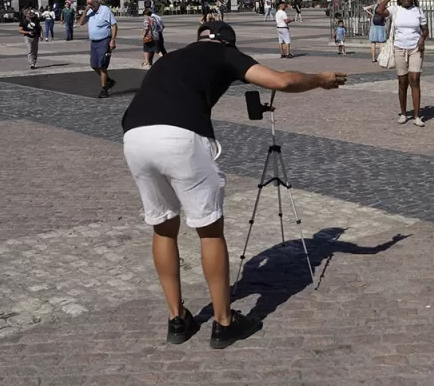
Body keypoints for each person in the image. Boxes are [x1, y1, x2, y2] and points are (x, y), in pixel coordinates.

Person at [121, 20, 346, 349]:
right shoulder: (225, 54)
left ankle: (177, 319)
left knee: (163, 227)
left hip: (135, 135)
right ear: (228, 42)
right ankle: (224, 323)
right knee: (209, 229)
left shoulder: (171, 58)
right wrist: (320, 80)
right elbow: (281, 80)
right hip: (180, 136)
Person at [376, 0, 428, 127]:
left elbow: (425, 29)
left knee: (415, 79)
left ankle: (417, 116)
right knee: (402, 82)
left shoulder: (418, 11)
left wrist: (422, 39)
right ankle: (404, 113)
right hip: (399, 48)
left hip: (415, 48)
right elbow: (379, 11)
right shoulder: (395, 10)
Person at [79, 0, 118, 98]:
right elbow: (81, 23)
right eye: (88, 4)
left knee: (102, 65)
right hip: (94, 42)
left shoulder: (105, 10)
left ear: (97, 2)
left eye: (91, 4)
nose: (90, 6)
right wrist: (85, 11)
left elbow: (114, 26)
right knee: (93, 64)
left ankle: (104, 89)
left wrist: (112, 40)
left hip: (104, 41)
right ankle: (108, 81)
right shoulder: (90, 11)